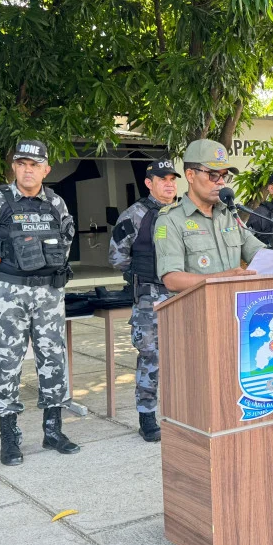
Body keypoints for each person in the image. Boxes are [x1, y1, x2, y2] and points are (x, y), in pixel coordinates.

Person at [0, 139, 78, 466]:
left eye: (35, 165)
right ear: (14, 167)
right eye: (22, 164)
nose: (28, 170)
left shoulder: (56, 203)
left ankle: (53, 430)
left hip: (48, 293)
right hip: (9, 293)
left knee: (54, 357)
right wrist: (1, 282)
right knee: (6, 361)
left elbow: (66, 242)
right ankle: (9, 437)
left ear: (45, 169)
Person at [154, 139, 273, 295]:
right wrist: (221, 278)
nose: (221, 183)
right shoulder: (170, 220)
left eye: (224, 176)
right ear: (190, 175)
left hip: (236, 308)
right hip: (198, 311)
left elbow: (255, 251)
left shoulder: (229, 214)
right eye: (213, 175)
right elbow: (172, 279)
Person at [108, 159, 179, 442]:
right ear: (149, 183)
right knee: (151, 357)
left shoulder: (184, 212)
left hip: (184, 294)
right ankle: (147, 418)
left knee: (187, 356)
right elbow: (116, 257)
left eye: (173, 179)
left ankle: (184, 412)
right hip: (150, 297)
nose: (169, 184)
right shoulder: (135, 214)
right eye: (163, 179)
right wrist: (144, 271)